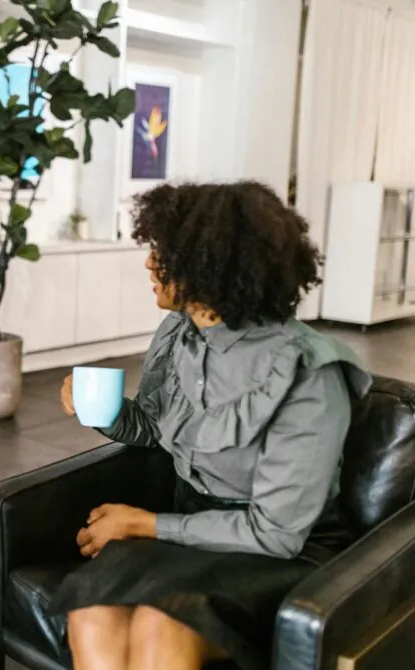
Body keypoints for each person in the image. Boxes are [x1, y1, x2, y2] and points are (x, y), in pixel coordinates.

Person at [54, 181, 371, 670]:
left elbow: (276, 533)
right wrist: (107, 411)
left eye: (164, 250)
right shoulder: (181, 331)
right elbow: (154, 426)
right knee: (92, 612)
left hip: (282, 553)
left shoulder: (308, 372)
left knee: (165, 626)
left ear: (212, 264)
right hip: (192, 527)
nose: (148, 262)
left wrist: (144, 524)